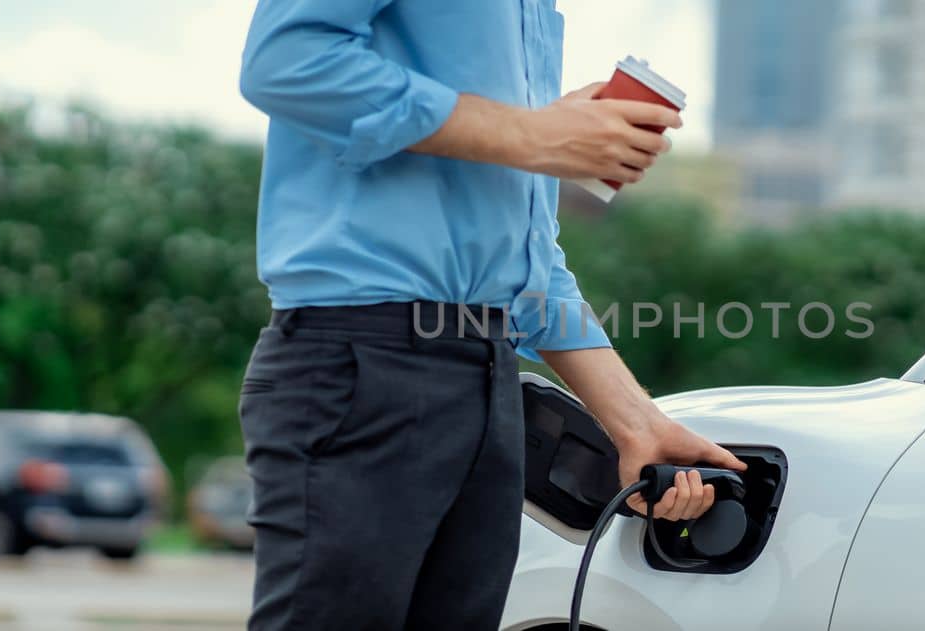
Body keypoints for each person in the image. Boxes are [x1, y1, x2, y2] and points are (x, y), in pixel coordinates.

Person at [234, 2, 746, 629]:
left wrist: (635, 422)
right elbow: (285, 61)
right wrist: (537, 133)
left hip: (488, 383)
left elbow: (530, 262)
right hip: (363, 364)